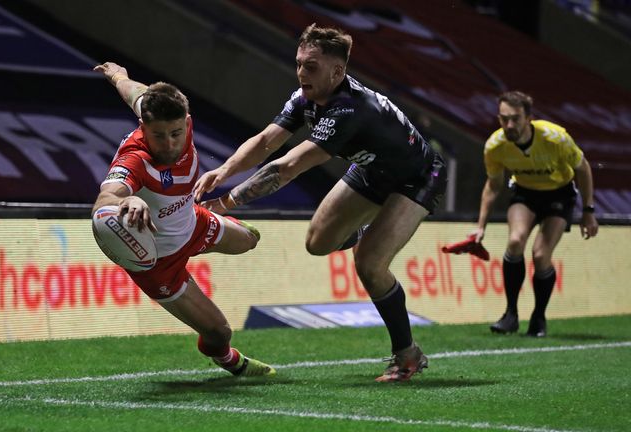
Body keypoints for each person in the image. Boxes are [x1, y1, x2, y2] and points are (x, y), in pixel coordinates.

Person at [194, 24, 447, 383]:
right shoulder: (305, 97)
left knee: (370, 265)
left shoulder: (349, 109)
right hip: (373, 169)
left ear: (337, 71)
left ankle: (407, 355)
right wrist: (223, 170)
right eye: (298, 63)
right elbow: (268, 140)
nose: (300, 73)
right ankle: (364, 232)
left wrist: (226, 202)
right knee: (318, 243)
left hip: (417, 177)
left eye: (310, 67)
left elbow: (288, 166)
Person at [92, 62, 276, 377]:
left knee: (251, 239)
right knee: (220, 333)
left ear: (187, 123)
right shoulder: (135, 160)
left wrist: (116, 76)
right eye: (157, 135)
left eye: (176, 133)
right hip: (159, 261)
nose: (169, 144)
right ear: (143, 126)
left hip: (193, 222)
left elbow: (135, 92)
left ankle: (212, 223)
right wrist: (129, 199)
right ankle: (228, 360)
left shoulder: (168, 115)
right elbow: (107, 198)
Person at [473, 90, 599, 337]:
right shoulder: (495, 146)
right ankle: (510, 314)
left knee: (541, 255)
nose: (509, 124)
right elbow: (493, 184)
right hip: (525, 193)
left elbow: (583, 169)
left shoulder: (555, 138)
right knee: (515, 241)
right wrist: (481, 225)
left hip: (559, 195)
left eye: (515, 118)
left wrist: (588, 210)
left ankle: (538, 317)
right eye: (503, 118)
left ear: (528, 117)